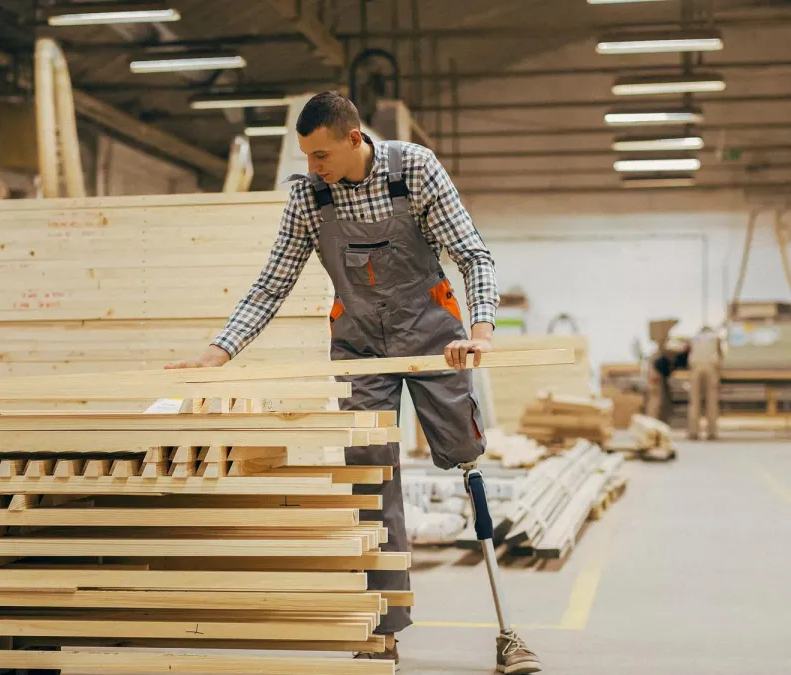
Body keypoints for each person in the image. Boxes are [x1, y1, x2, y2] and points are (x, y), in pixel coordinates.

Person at [167, 91, 541, 673]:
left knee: (466, 456)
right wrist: (218, 355)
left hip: (433, 337)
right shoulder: (309, 198)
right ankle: (380, 629)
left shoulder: (413, 169)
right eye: (306, 157)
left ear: (353, 137)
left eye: (321, 155)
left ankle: (507, 632)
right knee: (370, 475)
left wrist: (484, 333)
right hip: (360, 347)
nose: (314, 168)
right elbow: (273, 283)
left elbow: (472, 255)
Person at [686, 326, 723, 440]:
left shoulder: (693, 339)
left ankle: (693, 432)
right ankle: (711, 432)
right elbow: (720, 355)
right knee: (712, 401)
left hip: (696, 368)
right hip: (711, 368)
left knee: (694, 401)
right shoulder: (716, 338)